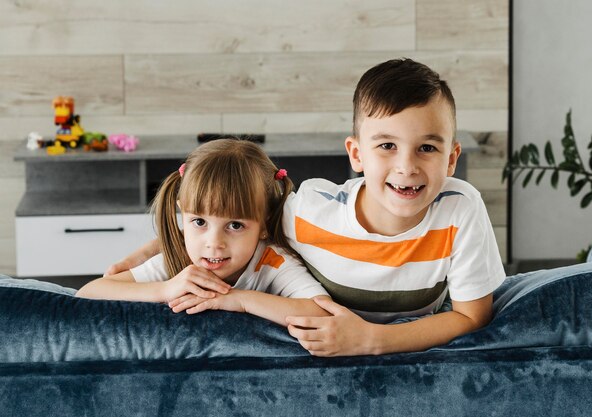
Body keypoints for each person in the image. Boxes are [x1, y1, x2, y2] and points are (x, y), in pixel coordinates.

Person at [106, 58, 506, 356]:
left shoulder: (460, 209)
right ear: (356, 154)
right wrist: (158, 245)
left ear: (451, 159)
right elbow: (235, 217)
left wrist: (374, 340)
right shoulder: (312, 211)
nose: (407, 166)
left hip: (387, 340)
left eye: (427, 148)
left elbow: (472, 317)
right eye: (386, 145)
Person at [76, 139, 330, 326]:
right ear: (182, 216)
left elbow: (323, 313)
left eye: (235, 225)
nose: (213, 243)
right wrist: (164, 289)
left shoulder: (272, 261)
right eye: (199, 222)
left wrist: (240, 301)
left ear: (264, 225)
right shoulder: (180, 260)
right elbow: (87, 293)